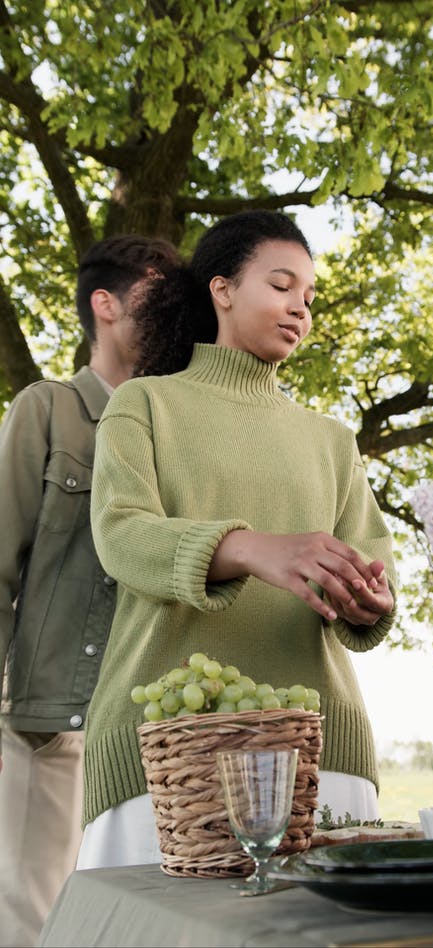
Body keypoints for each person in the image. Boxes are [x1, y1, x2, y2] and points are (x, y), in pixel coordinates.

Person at [77, 209, 397, 871]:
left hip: (323, 754)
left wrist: (372, 597)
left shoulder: (333, 441)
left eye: (308, 297)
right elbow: (121, 534)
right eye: (281, 285)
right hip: (166, 754)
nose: (299, 308)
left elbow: (374, 558)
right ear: (221, 289)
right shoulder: (143, 405)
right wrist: (253, 548)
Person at [0, 233, 181, 948]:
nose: (176, 308)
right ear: (106, 304)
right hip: (48, 724)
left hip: (146, 732)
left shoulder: (175, 430)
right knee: (30, 922)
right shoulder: (44, 409)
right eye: (157, 290)